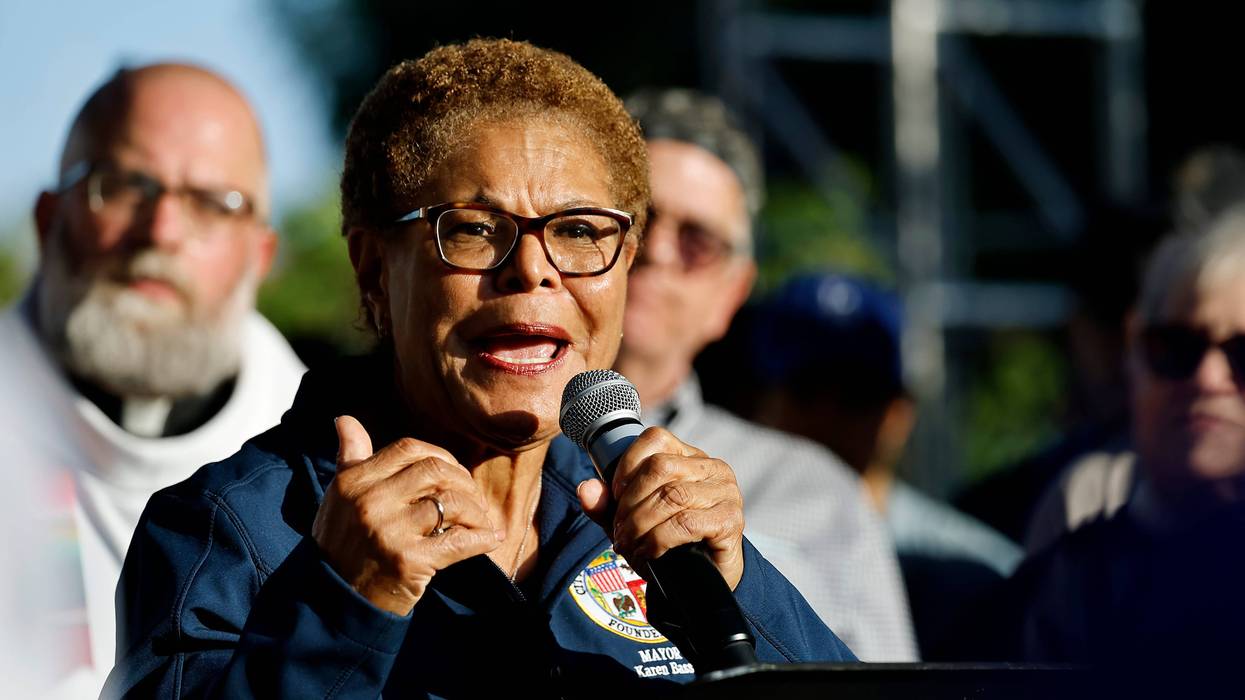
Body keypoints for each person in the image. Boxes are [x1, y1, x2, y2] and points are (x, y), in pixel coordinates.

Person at [104, 39, 853, 699]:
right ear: (373, 270)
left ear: (626, 265)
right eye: (472, 230)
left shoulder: (655, 533)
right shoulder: (228, 532)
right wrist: (341, 607)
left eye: (580, 231)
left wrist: (737, 590)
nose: (532, 270)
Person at [0, 63, 305, 697]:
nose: (160, 232)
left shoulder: (323, 460)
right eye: (122, 187)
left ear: (261, 255)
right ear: (49, 219)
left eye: (213, 204)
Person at [616, 88, 917, 661]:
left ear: (732, 293)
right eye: (637, 219)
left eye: (697, 241)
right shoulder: (485, 444)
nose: (656, 251)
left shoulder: (822, 494)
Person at [1007, 208, 1245, 665]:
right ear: (1132, 357)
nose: (1208, 378)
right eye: (1175, 347)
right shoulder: (1058, 593)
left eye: (1243, 353)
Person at [748, 272, 1022, 659]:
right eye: (805, 390)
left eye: (857, 395)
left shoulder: (979, 566)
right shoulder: (734, 530)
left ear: (899, 412)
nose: (828, 416)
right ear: (761, 399)